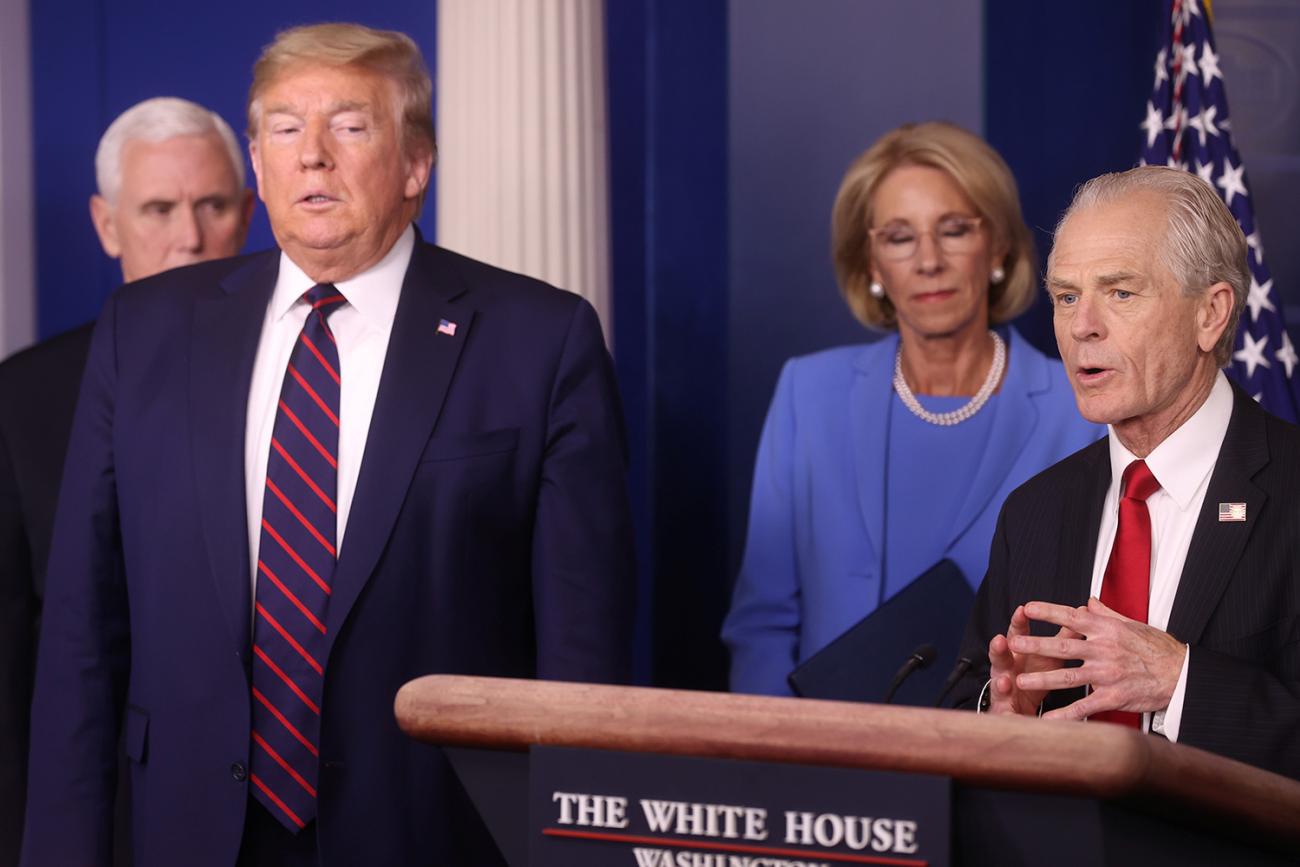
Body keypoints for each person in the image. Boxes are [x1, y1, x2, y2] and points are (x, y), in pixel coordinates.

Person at [21, 22, 635, 867]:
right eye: (284, 128)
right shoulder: (145, 331)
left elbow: (582, 658)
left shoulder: (539, 340)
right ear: (258, 166)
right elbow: (83, 640)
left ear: (416, 164)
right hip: (188, 831)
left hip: (434, 835)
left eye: (350, 126)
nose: (313, 155)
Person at [722, 122, 1101, 697]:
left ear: (997, 246)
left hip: (1010, 755)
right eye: (899, 237)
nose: (928, 260)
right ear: (871, 264)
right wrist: (782, 759)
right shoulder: (809, 393)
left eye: (953, 231)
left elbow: (1099, 627)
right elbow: (763, 625)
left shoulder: (1079, 409)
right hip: (828, 760)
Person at [956, 166, 1300, 780]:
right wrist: (1005, 717)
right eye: (1066, 296)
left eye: (1120, 292)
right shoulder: (1035, 511)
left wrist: (1178, 683)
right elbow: (971, 703)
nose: (1082, 325)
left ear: (1211, 314)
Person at [0, 96, 252, 867]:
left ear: (248, 213)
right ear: (108, 225)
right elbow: (12, 666)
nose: (189, 237)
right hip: (108, 820)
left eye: (212, 205)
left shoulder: (316, 374)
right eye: (158, 209)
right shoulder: (23, 397)